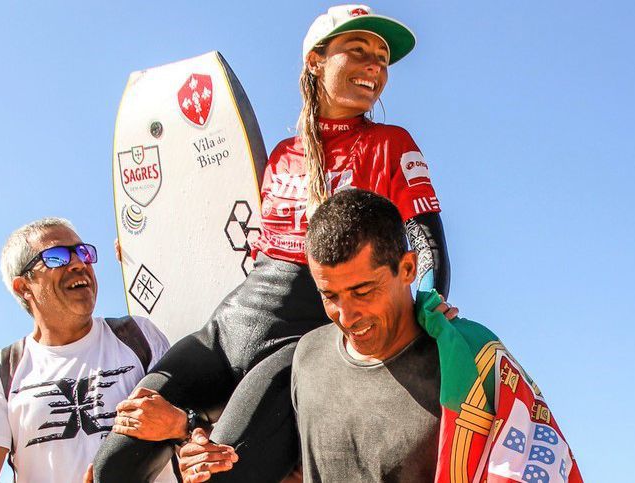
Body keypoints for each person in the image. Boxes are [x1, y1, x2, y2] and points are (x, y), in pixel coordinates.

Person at [94, 5, 451, 482]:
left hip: (297, 343)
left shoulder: (391, 143)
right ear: (316, 61)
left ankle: (193, 428)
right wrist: (151, 247)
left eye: (383, 59)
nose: (375, 67)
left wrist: (427, 308)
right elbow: (241, 247)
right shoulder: (284, 155)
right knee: (112, 463)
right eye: (359, 51)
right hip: (227, 327)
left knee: (221, 473)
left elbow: (425, 241)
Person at [282, 189, 579, 482]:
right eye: (330, 296)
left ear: (408, 268)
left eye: (363, 292)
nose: (346, 317)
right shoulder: (309, 356)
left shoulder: (467, 363)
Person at [0, 217, 178, 483]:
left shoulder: (139, 336)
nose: (79, 263)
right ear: (23, 287)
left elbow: (190, 426)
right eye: (57, 257)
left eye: (83, 253)